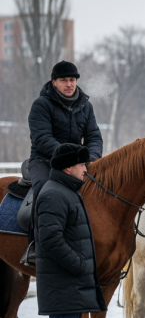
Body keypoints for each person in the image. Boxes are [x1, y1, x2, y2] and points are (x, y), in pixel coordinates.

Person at [36, 143, 107, 318]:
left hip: (67, 280)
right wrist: (79, 265)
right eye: (82, 165)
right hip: (64, 280)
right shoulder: (55, 194)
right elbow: (51, 239)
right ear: (68, 167)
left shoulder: (65, 191)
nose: (86, 169)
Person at [24, 61, 103, 265]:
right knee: (44, 191)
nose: (69, 84)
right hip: (44, 161)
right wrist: (71, 157)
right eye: (64, 80)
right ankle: (35, 245)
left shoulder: (86, 105)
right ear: (54, 82)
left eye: (72, 80)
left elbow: (94, 136)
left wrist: (91, 159)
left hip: (76, 162)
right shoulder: (41, 105)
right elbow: (42, 139)